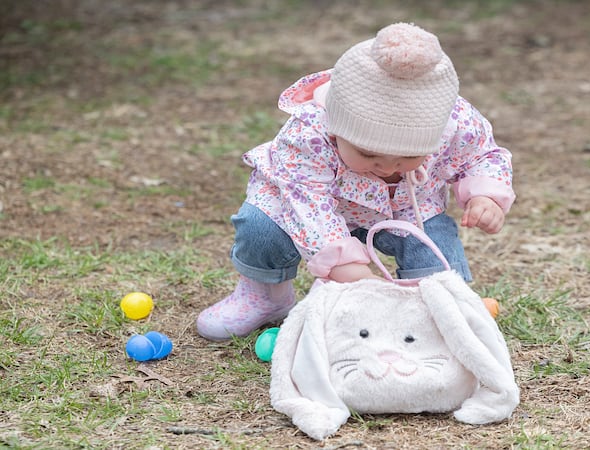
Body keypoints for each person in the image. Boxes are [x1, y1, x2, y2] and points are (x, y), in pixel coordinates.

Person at [196, 22, 515, 341]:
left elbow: (482, 154)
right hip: (306, 207)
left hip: (407, 209)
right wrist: (347, 269)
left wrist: (485, 194)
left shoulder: (454, 122)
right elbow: (310, 208)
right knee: (261, 227)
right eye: (368, 153)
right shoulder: (308, 136)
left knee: (432, 244)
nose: (388, 165)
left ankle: (429, 307)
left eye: (407, 156)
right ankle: (265, 296)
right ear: (337, 130)